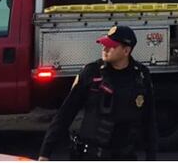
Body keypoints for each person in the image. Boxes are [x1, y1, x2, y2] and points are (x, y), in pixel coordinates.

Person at [38, 25, 156, 161]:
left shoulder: (140, 76)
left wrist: (151, 157)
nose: (104, 49)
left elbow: (149, 122)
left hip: (125, 155)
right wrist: (45, 153)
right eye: (104, 44)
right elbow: (65, 115)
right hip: (90, 156)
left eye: (111, 46)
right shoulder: (91, 73)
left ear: (126, 50)